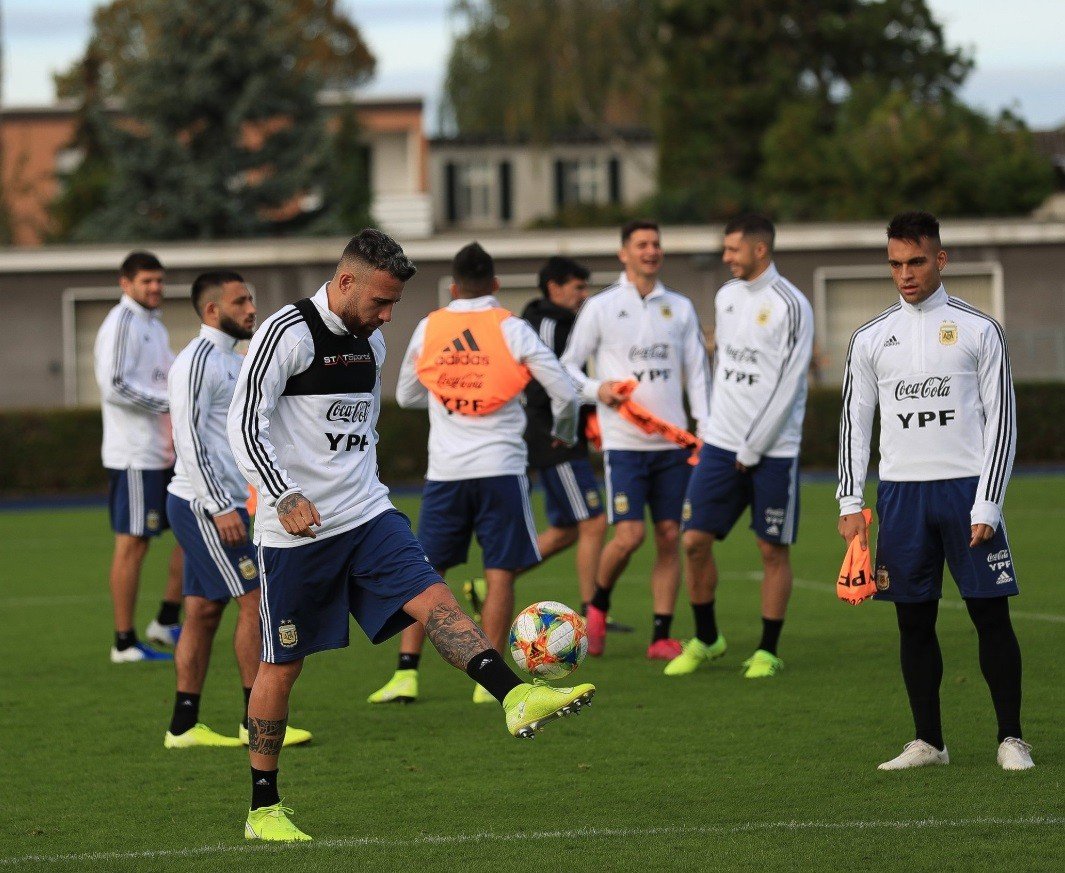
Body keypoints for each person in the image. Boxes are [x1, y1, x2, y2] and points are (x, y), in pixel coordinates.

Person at [228, 230, 594, 842]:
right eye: (380, 301)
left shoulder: (370, 339)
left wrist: (365, 487)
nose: (387, 316)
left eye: (395, 304)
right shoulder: (285, 334)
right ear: (345, 282)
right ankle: (263, 807)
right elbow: (245, 423)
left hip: (367, 515)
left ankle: (513, 697)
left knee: (435, 598)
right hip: (293, 534)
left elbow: (362, 426)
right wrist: (285, 494)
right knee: (281, 666)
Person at [837, 211, 1031, 772]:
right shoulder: (870, 338)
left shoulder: (979, 330)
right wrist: (851, 503)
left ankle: (1011, 738)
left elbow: (1004, 423)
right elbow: (855, 425)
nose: (905, 273)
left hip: (966, 492)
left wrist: (988, 501)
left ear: (940, 259)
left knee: (990, 616)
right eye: (895, 263)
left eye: (916, 261)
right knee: (912, 621)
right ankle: (929, 742)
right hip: (900, 498)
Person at [368, 242, 581, 705]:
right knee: (500, 571)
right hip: (500, 468)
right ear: (496, 285)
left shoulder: (432, 325)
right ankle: (491, 686)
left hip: (446, 470)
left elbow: (406, 395)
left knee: (424, 573)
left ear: (454, 286)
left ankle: (406, 675)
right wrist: (564, 433)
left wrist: (452, 397)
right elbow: (564, 391)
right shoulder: (512, 328)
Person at [163, 271, 310, 750]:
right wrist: (220, 503)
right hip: (204, 504)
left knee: (204, 611)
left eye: (251, 299)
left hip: (220, 503)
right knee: (254, 600)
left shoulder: (233, 359)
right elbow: (185, 438)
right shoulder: (196, 361)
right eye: (241, 301)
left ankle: (183, 726)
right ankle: (255, 721)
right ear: (212, 311)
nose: (251, 309)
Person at [666, 215, 813, 680]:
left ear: (760, 250)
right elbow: (719, 368)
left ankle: (768, 650)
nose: (726, 257)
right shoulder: (726, 296)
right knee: (692, 541)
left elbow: (789, 386)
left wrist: (753, 446)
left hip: (774, 450)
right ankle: (708, 640)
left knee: (771, 550)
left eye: (733, 249)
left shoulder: (792, 305)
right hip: (721, 445)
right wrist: (711, 427)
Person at [561, 220, 711, 659]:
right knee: (628, 536)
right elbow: (567, 366)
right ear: (624, 253)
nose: (651, 251)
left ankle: (661, 636)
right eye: (641, 244)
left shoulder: (680, 307)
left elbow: (698, 376)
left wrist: (705, 431)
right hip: (624, 442)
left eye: (656, 244)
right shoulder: (602, 306)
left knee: (669, 536)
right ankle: (598, 605)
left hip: (674, 446)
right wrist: (597, 390)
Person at [93, 251, 184, 663]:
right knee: (133, 545)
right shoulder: (122, 323)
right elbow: (114, 385)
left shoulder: (154, 324)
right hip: (135, 455)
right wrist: (170, 405)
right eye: (147, 281)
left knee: (190, 529)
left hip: (162, 452)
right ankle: (124, 642)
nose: (155, 288)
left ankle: (165, 620)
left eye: (159, 281)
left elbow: (166, 377)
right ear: (125, 283)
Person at [518, 256, 616, 623]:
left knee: (565, 531)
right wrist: (568, 426)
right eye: (578, 287)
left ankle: (491, 582)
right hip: (554, 439)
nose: (584, 295)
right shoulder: (544, 324)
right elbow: (550, 384)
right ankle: (594, 615)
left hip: (563, 435)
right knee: (593, 522)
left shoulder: (568, 322)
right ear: (555, 288)